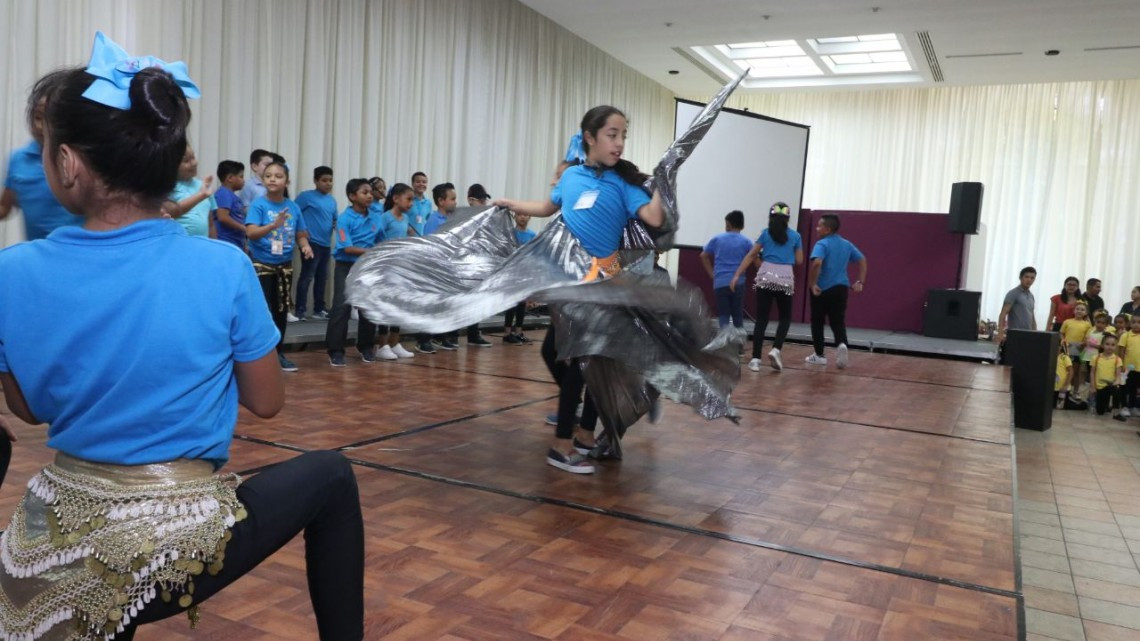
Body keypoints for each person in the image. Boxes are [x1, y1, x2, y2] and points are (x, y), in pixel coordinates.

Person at [0, 34, 362, 641]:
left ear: (68, 164)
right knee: (330, 474)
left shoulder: (12, 272)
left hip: (50, 537)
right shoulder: (221, 268)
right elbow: (268, 403)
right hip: (172, 541)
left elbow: (30, 409)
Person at [495, 105, 666, 473]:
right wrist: (510, 203)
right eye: (612, 135)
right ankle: (561, 446)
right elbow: (545, 206)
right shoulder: (571, 177)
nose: (619, 142)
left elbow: (653, 218)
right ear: (590, 137)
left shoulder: (624, 183)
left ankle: (586, 435)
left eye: (623, 135)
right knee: (578, 361)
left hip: (609, 282)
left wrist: (663, 183)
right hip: (574, 283)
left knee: (600, 360)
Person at [245, 161, 314, 372]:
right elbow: (251, 233)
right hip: (262, 265)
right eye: (268, 176)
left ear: (287, 181)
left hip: (284, 266)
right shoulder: (259, 205)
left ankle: (278, 352)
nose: (272, 179)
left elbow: (300, 232)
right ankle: (260, 356)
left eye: (278, 176)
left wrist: (305, 246)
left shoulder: (292, 207)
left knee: (281, 311)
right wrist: (273, 226)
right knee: (263, 311)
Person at [0, 69, 82, 240]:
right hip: (38, 255)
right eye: (37, 117)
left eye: (48, 118)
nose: (40, 126)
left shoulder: (83, 158)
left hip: (79, 252)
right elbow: (5, 207)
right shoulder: (19, 160)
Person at [731, 202, 803, 372]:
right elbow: (799, 260)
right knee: (785, 317)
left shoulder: (765, 234)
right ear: (788, 218)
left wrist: (736, 275)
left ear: (770, 217)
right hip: (785, 276)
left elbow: (751, 255)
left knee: (762, 319)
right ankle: (776, 349)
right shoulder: (795, 236)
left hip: (765, 275)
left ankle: (755, 360)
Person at [326, 179, 382, 366]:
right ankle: (335, 350)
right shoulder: (345, 218)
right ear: (352, 196)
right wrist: (372, 251)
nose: (369, 195)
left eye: (370, 192)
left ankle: (366, 346)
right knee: (342, 307)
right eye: (364, 192)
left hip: (367, 267)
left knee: (368, 307)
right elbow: (347, 248)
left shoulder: (375, 216)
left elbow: (381, 241)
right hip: (346, 267)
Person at [805, 214, 866, 369]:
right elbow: (862, 260)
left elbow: (817, 263)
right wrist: (860, 281)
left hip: (822, 289)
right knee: (838, 321)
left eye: (820, 226)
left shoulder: (821, 244)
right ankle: (842, 344)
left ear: (828, 229)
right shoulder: (846, 244)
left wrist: (812, 283)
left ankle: (819, 355)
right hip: (841, 288)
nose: (817, 228)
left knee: (817, 322)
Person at [374, 184, 417, 360]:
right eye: (408, 199)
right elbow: (377, 240)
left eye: (413, 199)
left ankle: (395, 342)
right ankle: (382, 345)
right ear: (396, 199)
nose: (411, 203)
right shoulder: (385, 218)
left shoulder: (405, 219)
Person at [416, 182, 458, 353]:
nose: (455, 202)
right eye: (452, 199)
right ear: (441, 201)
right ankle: (423, 340)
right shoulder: (434, 220)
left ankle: (441, 337)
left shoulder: (452, 219)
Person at [294, 166, 337, 321]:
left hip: (326, 244)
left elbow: (334, 220)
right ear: (315, 181)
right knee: (307, 276)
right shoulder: (306, 196)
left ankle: (319, 309)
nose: (328, 183)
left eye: (330, 180)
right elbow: (294, 213)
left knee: (322, 277)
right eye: (324, 180)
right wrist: (302, 233)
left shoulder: (332, 200)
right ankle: (300, 310)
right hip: (310, 242)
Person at [701, 209, 753, 331]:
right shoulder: (746, 241)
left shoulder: (717, 239)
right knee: (737, 314)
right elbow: (753, 258)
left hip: (720, 282)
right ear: (743, 225)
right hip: (738, 282)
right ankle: (738, 345)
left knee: (723, 315)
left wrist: (711, 274)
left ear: (728, 224)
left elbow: (703, 256)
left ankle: (725, 343)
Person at [504, 212, 537, 344]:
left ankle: (518, 331)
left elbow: (534, 256)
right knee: (511, 303)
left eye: (525, 215)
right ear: (514, 217)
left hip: (525, 273)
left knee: (522, 303)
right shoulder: (510, 233)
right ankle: (507, 333)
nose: (522, 217)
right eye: (519, 214)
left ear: (530, 217)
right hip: (512, 273)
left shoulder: (532, 235)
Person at [169, 144, 214, 237]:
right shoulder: (166, 187)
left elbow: (211, 224)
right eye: (186, 161)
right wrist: (200, 195)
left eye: (193, 157)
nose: (194, 163)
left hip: (202, 244)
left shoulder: (204, 185)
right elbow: (168, 212)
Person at [997, 266, 1038, 351]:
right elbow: (1003, 314)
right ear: (1020, 278)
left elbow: (1032, 316)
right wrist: (1000, 333)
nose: (1029, 280)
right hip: (1015, 335)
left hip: (1028, 335)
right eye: (1026, 277)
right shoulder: (1013, 293)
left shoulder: (1031, 296)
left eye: (1032, 278)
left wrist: (1035, 333)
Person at [212, 160, 247, 251]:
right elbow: (223, 217)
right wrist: (243, 228)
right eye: (241, 177)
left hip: (236, 242)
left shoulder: (232, 195)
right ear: (230, 178)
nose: (244, 180)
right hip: (226, 242)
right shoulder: (224, 193)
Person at [1060, 302, 1092, 398]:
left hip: (1079, 349)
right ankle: (1064, 389)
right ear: (1074, 311)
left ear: (1086, 312)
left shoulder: (1087, 324)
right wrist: (1063, 340)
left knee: (1076, 371)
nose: (1079, 311)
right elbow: (1061, 333)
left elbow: (1088, 337)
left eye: (1082, 309)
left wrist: (1084, 343)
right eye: (1077, 309)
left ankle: (1075, 391)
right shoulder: (1067, 321)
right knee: (1066, 370)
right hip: (1067, 348)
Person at [1091, 334, 1126, 421]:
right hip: (1100, 387)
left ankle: (1116, 413)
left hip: (1111, 385)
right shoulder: (1096, 358)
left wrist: (1115, 384)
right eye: (1107, 344)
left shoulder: (1118, 359)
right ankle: (1106, 405)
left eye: (1113, 345)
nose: (1110, 347)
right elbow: (1092, 373)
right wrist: (1093, 386)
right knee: (1100, 412)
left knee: (1117, 390)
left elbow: (1118, 376)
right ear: (1102, 345)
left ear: (1116, 346)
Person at [1083, 311, 1115, 401]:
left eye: (1103, 323)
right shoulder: (1091, 330)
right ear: (1095, 322)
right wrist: (1085, 342)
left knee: (1098, 376)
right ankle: (1091, 396)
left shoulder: (1105, 334)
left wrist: (1094, 345)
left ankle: (1100, 396)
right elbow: (1086, 339)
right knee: (1090, 376)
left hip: (1098, 359)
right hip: (1088, 357)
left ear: (1106, 325)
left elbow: (1104, 346)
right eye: (1098, 322)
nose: (1100, 324)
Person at [1119, 315, 1140, 417]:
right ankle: (1124, 406)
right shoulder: (1125, 336)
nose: (1136, 324)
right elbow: (1121, 351)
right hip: (1127, 368)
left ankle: (1133, 407)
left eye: (1139, 322)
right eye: (1134, 322)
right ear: (1130, 324)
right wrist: (1122, 365)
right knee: (1125, 387)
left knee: (1134, 388)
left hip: (1139, 368)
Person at [409, 171, 432, 236]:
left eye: (424, 182)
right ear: (412, 184)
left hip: (421, 239)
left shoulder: (428, 203)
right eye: (418, 182)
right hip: (407, 238)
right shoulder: (408, 200)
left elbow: (428, 221)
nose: (421, 184)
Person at [1055, 339, 1073, 409]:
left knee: (1064, 406)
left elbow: (1071, 371)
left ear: (1060, 347)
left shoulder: (1064, 357)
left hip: (1063, 389)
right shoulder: (1049, 356)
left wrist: (1066, 385)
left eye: (1058, 346)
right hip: (1053, 389)